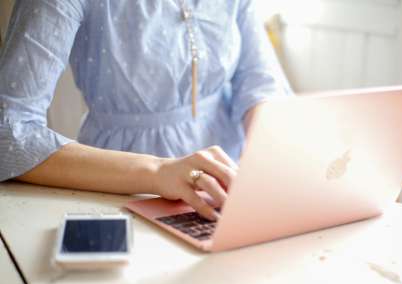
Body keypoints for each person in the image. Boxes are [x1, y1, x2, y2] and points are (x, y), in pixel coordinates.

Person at [0, 0, 291, 220]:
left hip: (231, 185)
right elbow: (8, 134)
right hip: (124, 188)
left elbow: (260, 82)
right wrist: (159, 171)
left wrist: (273, 154)